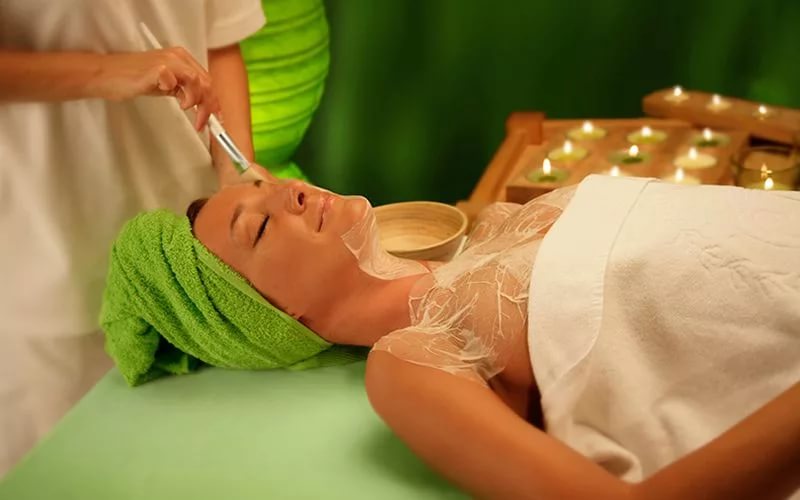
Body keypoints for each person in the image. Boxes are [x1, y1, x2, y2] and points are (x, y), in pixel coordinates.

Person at [102, 176, 800, 499]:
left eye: (263, 184)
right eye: (257, 226)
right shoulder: (411, 360)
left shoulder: (495, 223)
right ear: (275, 317)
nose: (288, 192)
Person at [0, 0, 269, 476]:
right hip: (50, 267)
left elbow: (221, 40)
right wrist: (111, 70)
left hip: (188, 262)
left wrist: (234, 170)